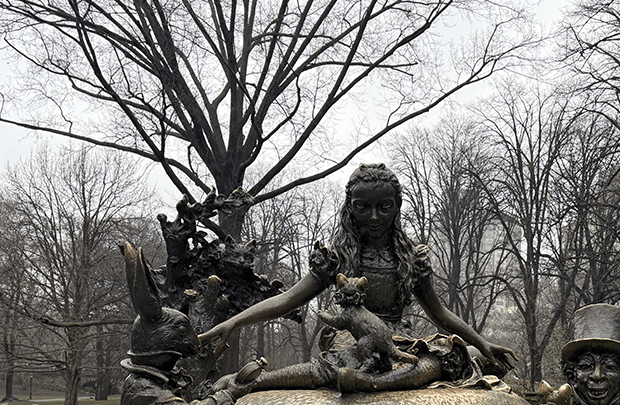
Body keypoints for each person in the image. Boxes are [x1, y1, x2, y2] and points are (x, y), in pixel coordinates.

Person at [200, 163, 515, 390]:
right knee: (339, 364)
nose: (374, 217)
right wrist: (234, 322)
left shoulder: (411, 259)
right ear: (350, 207)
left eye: (384, 207)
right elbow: (288, 299)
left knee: (442, 359)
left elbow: (439, 313)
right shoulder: (336, 258)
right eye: (363, 207)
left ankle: (366, 382)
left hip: (396, 338)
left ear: (396, 207)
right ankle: (255, 382)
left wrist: (482, 342)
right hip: (352, 339)